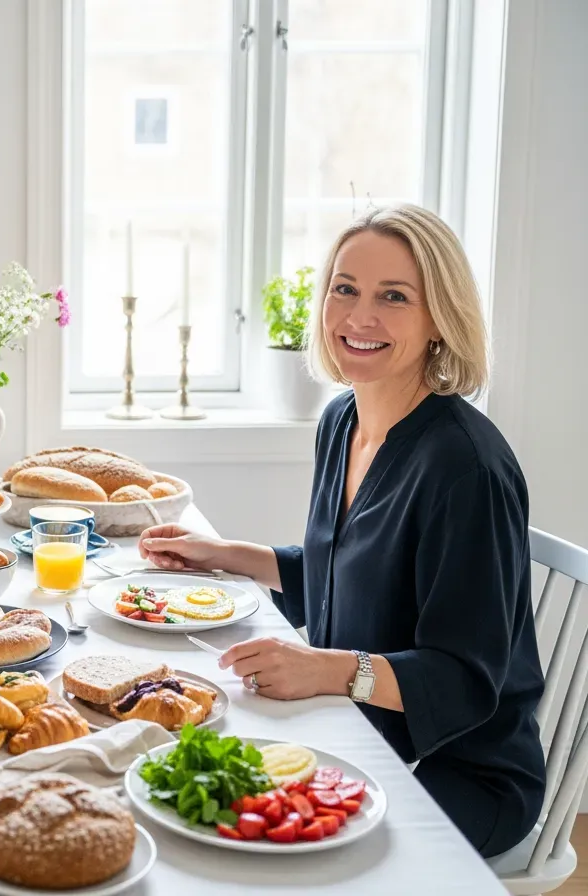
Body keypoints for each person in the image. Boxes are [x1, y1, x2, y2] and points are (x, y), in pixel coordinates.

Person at [137, 204, 545, 857]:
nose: (360, 316)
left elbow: (466, 680)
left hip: (460, 772)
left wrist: (328, 671)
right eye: (345, 289)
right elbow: (347, 574)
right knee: (189, 804)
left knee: (267, 850)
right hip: (353, 728)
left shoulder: (466, 469)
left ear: (440, 317)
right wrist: (225, 554)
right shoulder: (340, 422)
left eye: (394, 297)